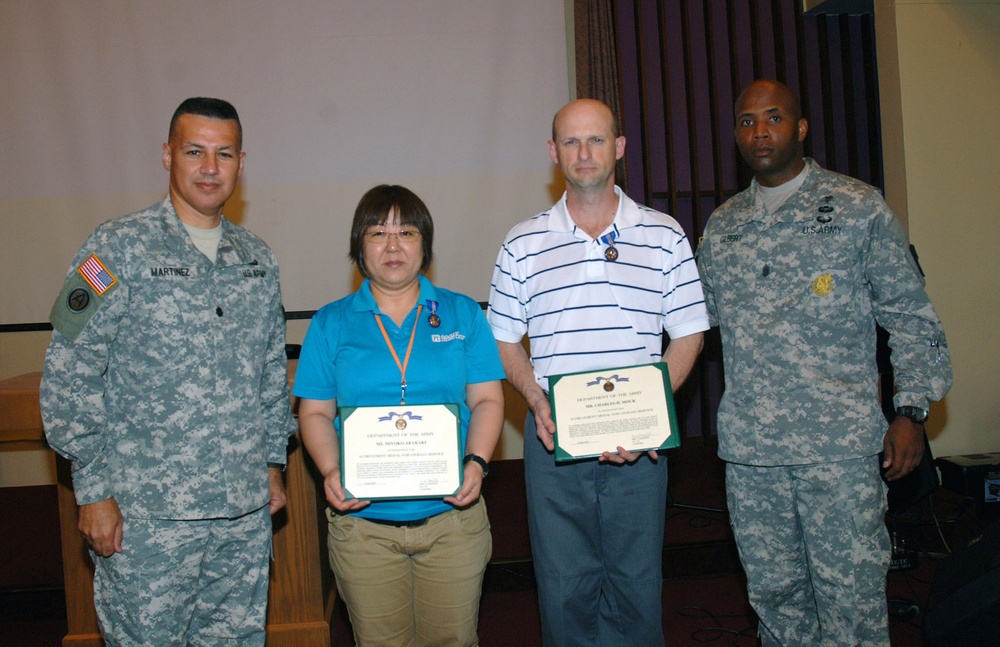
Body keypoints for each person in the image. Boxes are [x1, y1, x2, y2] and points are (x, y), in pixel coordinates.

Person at [696, 79, 953, 646]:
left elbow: (911, 317)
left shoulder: (858, 208)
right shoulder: (723, 226)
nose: (760, 131)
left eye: (774, 117)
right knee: (775, 601)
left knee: (852, 603)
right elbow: (689, 326)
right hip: (752, 456)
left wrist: (910, 410)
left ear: (801, 127)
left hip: (839, 452)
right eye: (746, 121)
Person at [40, 97, 297, 646]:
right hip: (147, 520)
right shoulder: (113, 248)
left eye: (224, 154)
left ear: (241, 162)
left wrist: (273, 462)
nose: (210, 168)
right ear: (167, 156)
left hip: (240, 517)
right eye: (195, 151)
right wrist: (92, 490)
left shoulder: (257, 259)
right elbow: (70, 368)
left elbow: (271, 374)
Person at [487, 99, 709, 646]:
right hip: (554, 440)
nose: (584, 153)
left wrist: (649, 415)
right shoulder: (522, 242)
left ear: (620, 147)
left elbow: (689, 333)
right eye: (571, 141)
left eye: (596, 140)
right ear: (552, 152)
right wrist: (536, 400)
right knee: (563, 593)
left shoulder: (665, 235)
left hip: (640, 447)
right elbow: (503, 340)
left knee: (637, 590)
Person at [294, 185, 505, 647]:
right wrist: (331, 470)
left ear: (425, 245)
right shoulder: (331, 322)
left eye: (406, 232)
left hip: (452, 522)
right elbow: (313, 412)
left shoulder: (463, 314)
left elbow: (488, 401)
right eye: (377, 232)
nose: (393, 246)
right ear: (359, 246)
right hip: (363, 529)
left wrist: (478, 463)